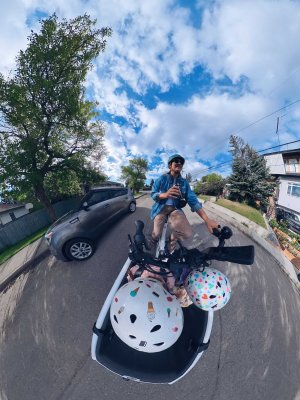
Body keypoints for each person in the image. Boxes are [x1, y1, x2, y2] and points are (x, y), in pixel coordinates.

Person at [150, 154, 219, 252]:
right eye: (176, 161)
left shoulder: (184, 183)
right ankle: (153, 240)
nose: (179, 163)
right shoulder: (162, 178)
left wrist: (207, 220)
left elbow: (193, 201)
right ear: (170, 165)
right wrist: (165, 195)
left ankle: (172, 238)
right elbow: (153, 193)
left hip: (174, 210)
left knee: (187, 233)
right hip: (160, 209)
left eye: (181, 162)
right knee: (156, 233)